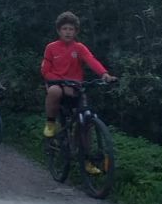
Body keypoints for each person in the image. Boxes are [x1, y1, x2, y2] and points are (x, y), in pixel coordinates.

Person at [41, 11, 116, 141]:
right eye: (64, 29)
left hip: (75, 86)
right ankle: (50, 123)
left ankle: (84, 148)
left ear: (76, 32)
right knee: (54, 91)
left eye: (71, 29)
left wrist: (104, 74)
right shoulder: (51, 48)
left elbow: (91, 60)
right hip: (56, 84)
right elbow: (45, 71)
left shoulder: (79, 47)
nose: (68, 32)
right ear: (59, 31)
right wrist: (61, 82)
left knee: (86, 114)